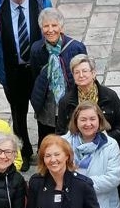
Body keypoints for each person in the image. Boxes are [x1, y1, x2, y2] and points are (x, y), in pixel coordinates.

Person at [0, 0, 53, 169]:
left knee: (44, 114)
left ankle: (44, 153)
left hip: (38, 70)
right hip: (13, 69)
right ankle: (23, 153)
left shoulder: (43, 3)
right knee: (18, 114)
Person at [30, 8, 87, 146]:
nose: (50, 30)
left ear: (61, 27)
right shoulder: (37, 49)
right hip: (47, 106)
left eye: (54, 25)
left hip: (70, 104)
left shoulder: (76, 47)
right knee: (48, 143)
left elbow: (85, 74)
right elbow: (34, 77)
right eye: (46, 26)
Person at [55, 55, 120, 158]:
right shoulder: (65, 102)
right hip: (78, 154)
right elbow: (61, 131)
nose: (81, 75)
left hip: (108, 150)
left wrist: (107, 139)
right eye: (76, 72)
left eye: (85, 71)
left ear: (93, 73)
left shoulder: (109, 96)